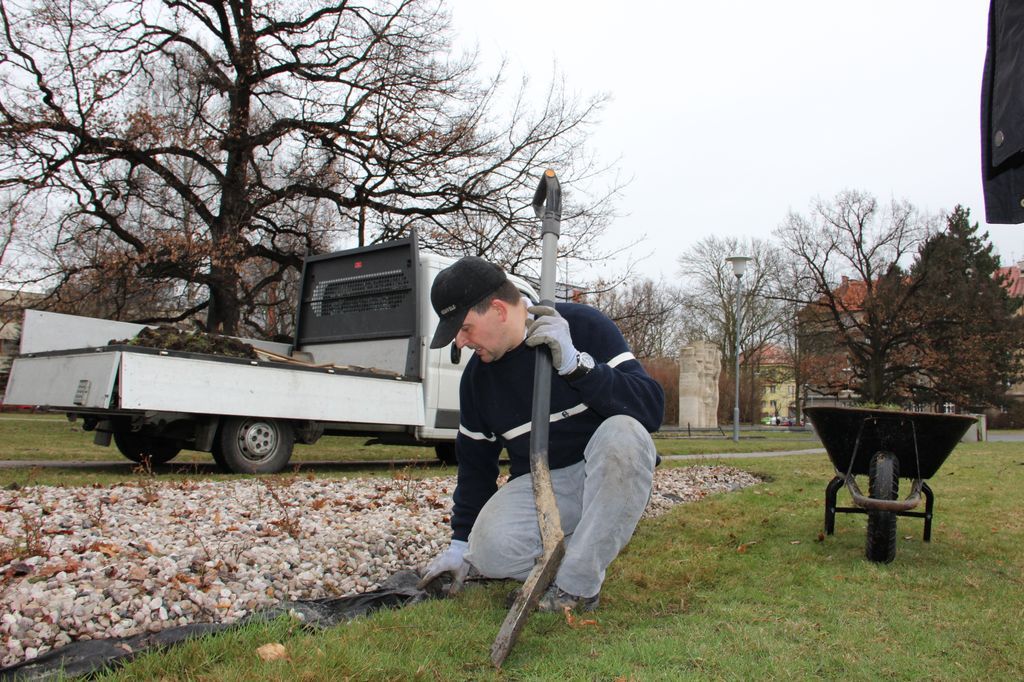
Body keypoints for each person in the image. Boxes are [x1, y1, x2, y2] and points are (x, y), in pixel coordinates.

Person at [417, 256, 665, 612]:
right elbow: (475, 469)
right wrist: (460, 545)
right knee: (488, 550)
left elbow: (651, 410)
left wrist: (576, 365)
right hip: (543, 485)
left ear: (499, 310)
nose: (460, 341)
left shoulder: (582, 326)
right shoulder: (477, 381)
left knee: (624, 435)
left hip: (604, 470)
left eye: (465, 328)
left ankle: (576, 587)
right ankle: (590, 540)